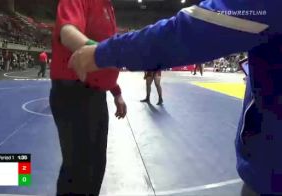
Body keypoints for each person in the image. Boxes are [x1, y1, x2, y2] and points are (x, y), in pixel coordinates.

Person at [69, 1, 282, 195]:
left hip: (271, 176)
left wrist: (100, 53)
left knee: (82, 164)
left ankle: (32, 181)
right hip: (74, 91)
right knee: (83, 162)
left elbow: (191, 31)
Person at [50, 0, 127, 195]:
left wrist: (116, 91)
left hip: (95, 94)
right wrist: (104, 53)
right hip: (75, 93)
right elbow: (68, 33)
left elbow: (100, 61)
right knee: (79, 171)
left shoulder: (107, 6)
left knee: (96, 166)